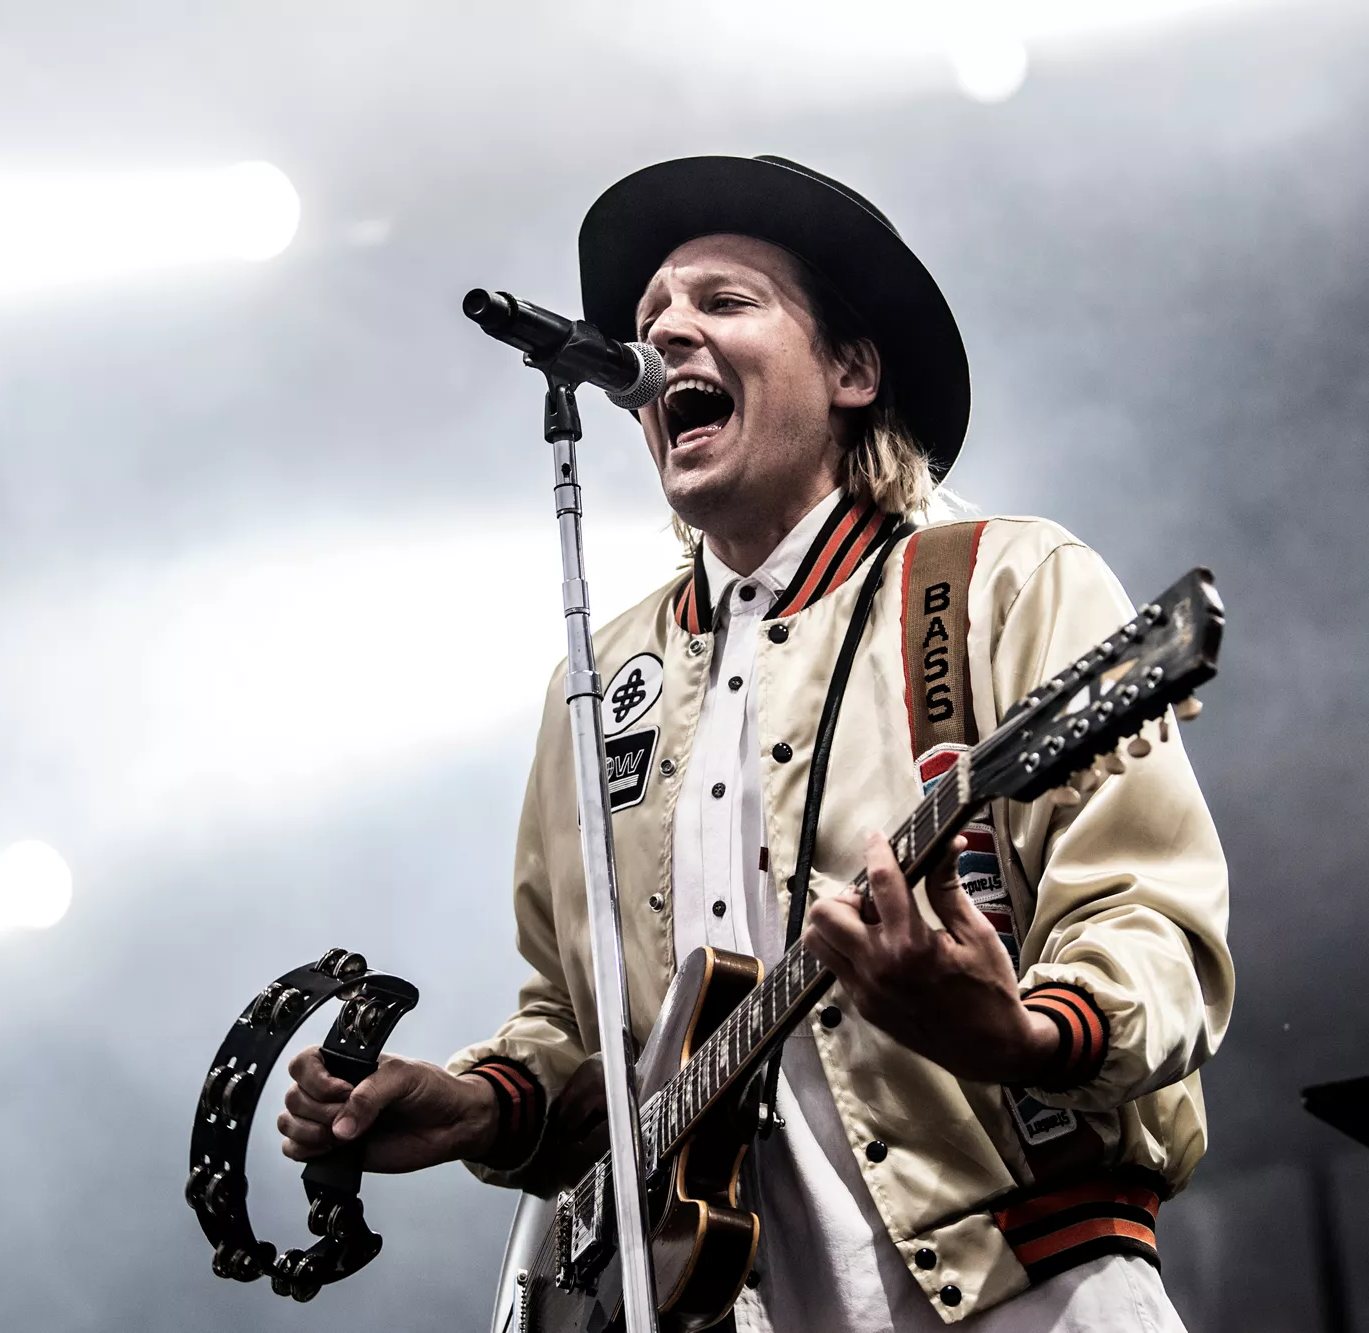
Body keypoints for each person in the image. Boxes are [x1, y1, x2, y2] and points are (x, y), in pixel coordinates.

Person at [276, 155, 1232, 1330]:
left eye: (722, 301)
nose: (666, 330)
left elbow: (1150, 918)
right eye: (646, 319)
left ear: (849, 368)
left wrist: (1027, 1029)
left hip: (1024, 1284)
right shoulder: (596, 681)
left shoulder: (998, 580)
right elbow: (582, 1035)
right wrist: (485, 1103)